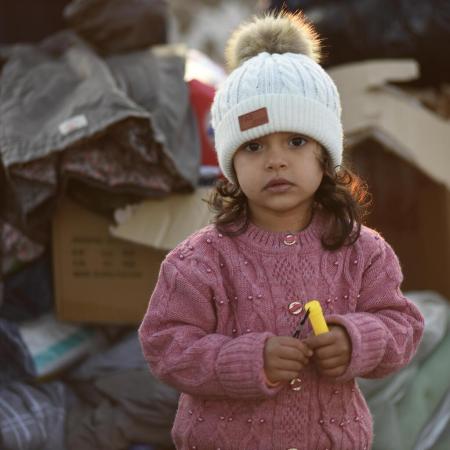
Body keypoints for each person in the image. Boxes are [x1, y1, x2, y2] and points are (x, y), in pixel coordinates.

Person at [139, 12, 424, 450]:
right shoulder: (197, 262)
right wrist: (250, 359)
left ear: (325, 154)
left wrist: (355, 339)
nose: (275, 160)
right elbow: (165, 347)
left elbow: (402, 326)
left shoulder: (364, 251)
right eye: (254, 146)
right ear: (231, 162)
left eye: (295, 141)